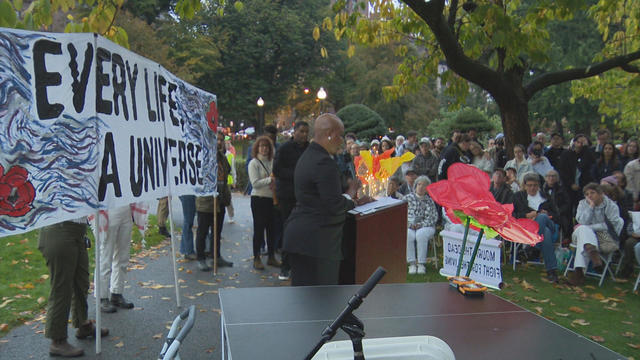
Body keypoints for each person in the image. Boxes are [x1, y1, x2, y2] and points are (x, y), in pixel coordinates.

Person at [282, 113, 373, 286]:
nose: (342, 141)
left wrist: (350, 199)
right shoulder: (323, 162)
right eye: (340, 135)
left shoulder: (309, 155)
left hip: (303, 240)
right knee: (320, 302)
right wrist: (351, 195)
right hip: (317, 243)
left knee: (305, 300)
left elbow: (319, 198)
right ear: (330, 134)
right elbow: (334, 205)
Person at [38, 219, 109, 357]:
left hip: (77, 231)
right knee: (62, 288)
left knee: (81, 282)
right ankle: (57, 340)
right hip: (59, 229)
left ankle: (83, 324)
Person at [273, 121, 310, 280]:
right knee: (288, 230)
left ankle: (300, 265)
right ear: (294, 132)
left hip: (305, 196)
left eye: (306, 132)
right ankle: (285, 266)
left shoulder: (309, 149)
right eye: (301, 131)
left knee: (303, 231)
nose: (304, 135)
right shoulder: (284, 149)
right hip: (288, 195)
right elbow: (277, 170)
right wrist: (297, 174)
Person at [568, 183, 624, 285]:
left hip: (604, 237)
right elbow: (581, 220)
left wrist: (589, 227)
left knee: (584, 236)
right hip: (583, 234)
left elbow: (608, 226)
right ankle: (593, 253)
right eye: (587, 194)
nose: (589, 196)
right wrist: (591, 207)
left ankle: (579, 272)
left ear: (601, 194)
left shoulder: (611, 206)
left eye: (592, 193)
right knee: (584, 230)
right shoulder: (582, 204)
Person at [512, 173, 561, 282]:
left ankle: (531, 248)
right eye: (529, 185)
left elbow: (557, 215)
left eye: (535, 185)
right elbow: (512, 215)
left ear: (539, 185)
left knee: (542, 217)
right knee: (545, 233)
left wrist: (547, 214)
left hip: (549, 222)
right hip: (527, 227)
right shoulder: (518, 197)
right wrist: (526, 215)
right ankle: (551, 271)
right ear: (524, 186)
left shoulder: (546, 197)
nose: (532, 188)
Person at [195, 135, 233, 271]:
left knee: (217, 232)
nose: (219, 142)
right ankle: (201, 258)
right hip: (206, 201)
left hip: (220, 200)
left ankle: (215, 256)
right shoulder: (203, 156)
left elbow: (227, 171)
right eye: (216, 139)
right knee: (203, 231)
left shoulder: (222, 157)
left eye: (221, 140)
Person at [248, 135, 280, 270]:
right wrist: (270, 180)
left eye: (266, 146)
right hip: (258, 199)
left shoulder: (273, 162)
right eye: (261, 146)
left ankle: (271, 256)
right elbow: (255, 183)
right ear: (257, 148)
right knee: (259, 229)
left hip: (271, 199)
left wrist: (274, 182)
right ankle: (256, 257)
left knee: (272, 229)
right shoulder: (254, 163)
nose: (264, 149)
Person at [96, 205, 135, 313]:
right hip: (109, 210)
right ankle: (102, 296)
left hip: (126, 208)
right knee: (105, 255)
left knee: (123, 256)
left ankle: (117, 292)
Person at [404, 176, 438, 275]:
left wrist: (420, 225)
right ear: (415, 185)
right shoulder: (407, 198)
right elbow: (401, 213)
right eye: (419, 184)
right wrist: (410, 224)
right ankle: (412, 263)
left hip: (425, 226)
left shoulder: (429, 201)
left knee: (420, 235)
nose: (421, 187)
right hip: (409, 225)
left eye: (424, 186)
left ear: (427, 189)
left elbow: (433, 217)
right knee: (408, 235)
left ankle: (421, 264)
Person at [559, 134, 595, 213]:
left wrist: (586, 147)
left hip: (583, 186)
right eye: (579, 142)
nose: (580, 144)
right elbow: (562, 171)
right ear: (574, 142)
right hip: (569, 186)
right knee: (568, 208)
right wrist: (571, 183)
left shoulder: (587, 154)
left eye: (583, 142)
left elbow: (590, 163)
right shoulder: (566, 154)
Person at [542, 169, 571, 245]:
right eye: (549, 176)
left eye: (553, 176)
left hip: (559, 214)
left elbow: (567, 204)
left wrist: (558, 212)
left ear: (557, 178)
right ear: (545, 178)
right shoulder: (541, 190)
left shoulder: (563, 189)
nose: (551, 178)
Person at [178, 194, 197, 260]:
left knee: (188, 220)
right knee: (188, 221)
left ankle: (186, 250)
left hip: (190, 192)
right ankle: (187, 251)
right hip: (187, 192)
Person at [225, 137, 237, 224]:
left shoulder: (230, 155)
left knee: (228, 199)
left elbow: (233, 169)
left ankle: (231, 215)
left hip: (227, 180)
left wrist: (234, 181)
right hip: (221, 180)